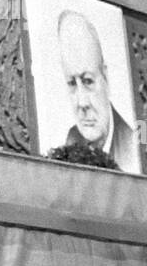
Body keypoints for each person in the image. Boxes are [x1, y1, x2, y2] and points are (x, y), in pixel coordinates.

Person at [57, 10, 140, 173]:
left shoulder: (131, 145)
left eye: (88, 81)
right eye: (72, 83)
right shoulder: (72, 138)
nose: (82, 103)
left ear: (106, 78)